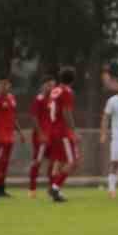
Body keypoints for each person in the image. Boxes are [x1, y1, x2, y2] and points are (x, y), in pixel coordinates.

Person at [44, 68, 81, 203]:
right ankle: (55, 187)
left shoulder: (54, 90)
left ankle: (54, 189)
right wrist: (74, 130)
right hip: (62, 131)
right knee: (73, 162)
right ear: (73, 79)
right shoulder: (67, 91)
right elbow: (66, 112)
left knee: (59, 161)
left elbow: (51, 109)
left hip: (53, 130)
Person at [26, 79, 54, 197]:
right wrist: (40, 133)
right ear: (43, 85)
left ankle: (52, 188)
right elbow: (34, 117)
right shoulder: (39, 99)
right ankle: (32, 189)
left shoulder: (53, 100)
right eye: (49, 85)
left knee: (53, 163)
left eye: (53, 85)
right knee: (37, 161)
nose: (51, 87)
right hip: (41, 137)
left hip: (52, 136)